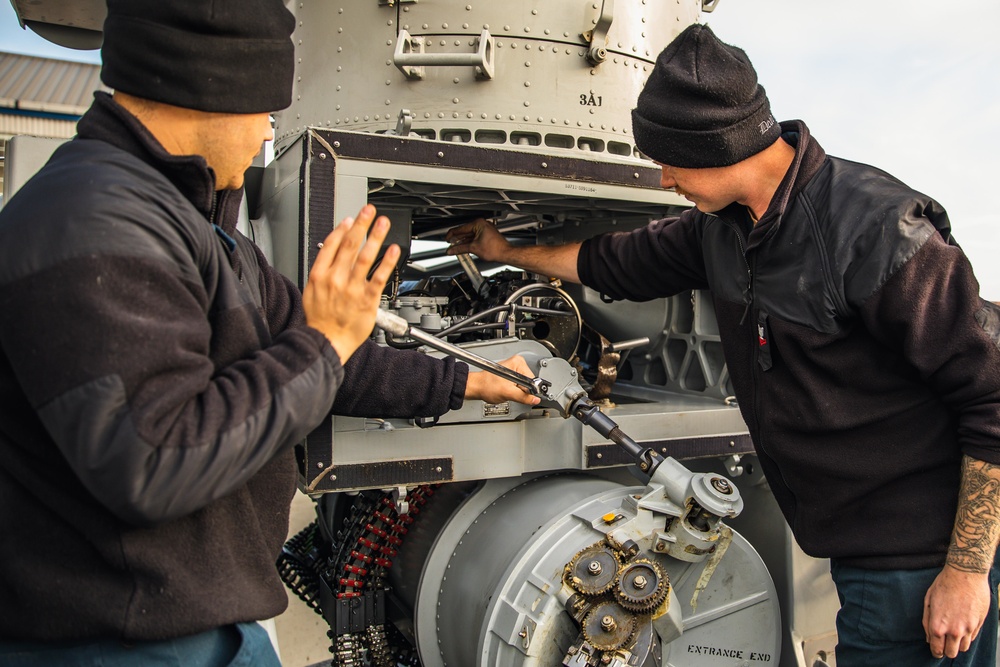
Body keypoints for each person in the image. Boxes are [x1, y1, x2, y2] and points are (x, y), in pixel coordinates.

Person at [446, 23, 1000, 667]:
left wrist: (964, 574)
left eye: (670, 163)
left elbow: (991, 400)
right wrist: (507, 252)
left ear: (718, 148)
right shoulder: (721, 228)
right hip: (852, 541)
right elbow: (614, 262)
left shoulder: (878, 231)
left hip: (918, 557)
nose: (662, 181)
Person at [0, 1, 536, 665]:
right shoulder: (94, 222)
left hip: (194, 625)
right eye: (264, 111)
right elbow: (157, 459)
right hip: (119, 639)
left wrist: (475, 379)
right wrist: (325, 341)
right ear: (216, 91)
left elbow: (339, 359)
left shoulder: (196, 228)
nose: (265, 131)